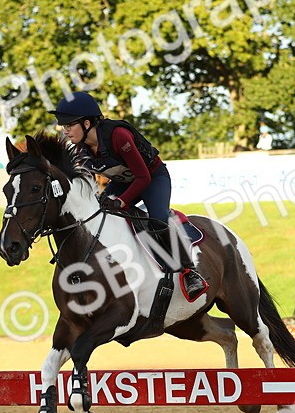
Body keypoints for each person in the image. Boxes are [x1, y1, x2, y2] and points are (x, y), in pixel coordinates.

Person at [49, 91, 208, 302]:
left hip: (152, 177)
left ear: (87, 123)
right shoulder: (79, 149)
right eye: (63, 126)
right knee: (99, 213)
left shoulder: (118, 137)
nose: (65, 131)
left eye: (69, 125)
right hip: (123, 181)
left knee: (158, 217)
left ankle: (190, 272)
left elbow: (143, 177)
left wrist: (121, 201)